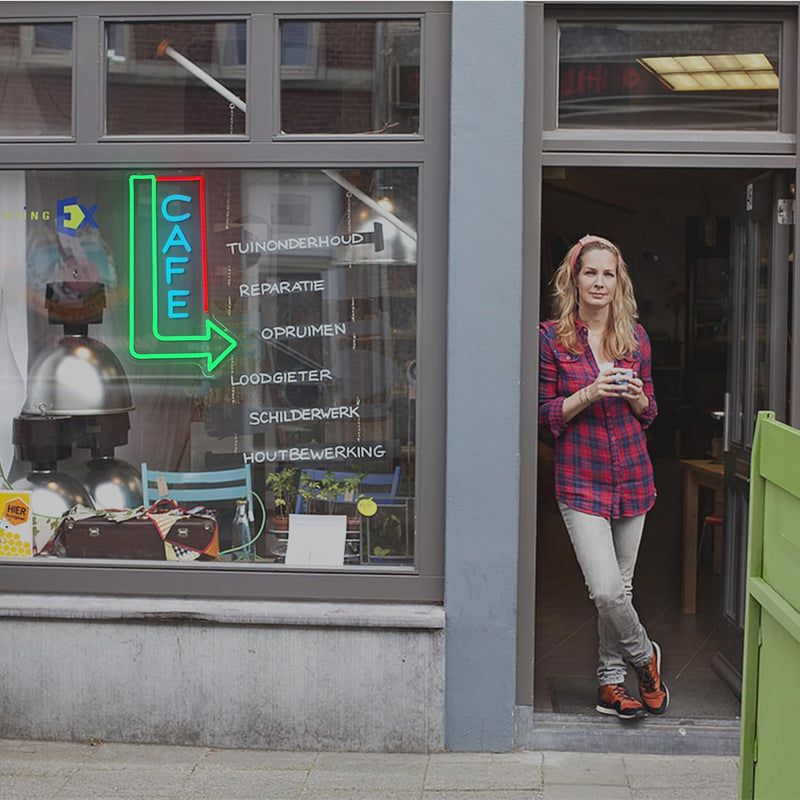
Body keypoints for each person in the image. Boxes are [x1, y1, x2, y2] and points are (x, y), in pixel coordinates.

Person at [538, 234, 669, 721]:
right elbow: (543, 413)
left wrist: (635, 395)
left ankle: (612, 684)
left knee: (623, 589)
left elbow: (650, 410)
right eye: (590, 272)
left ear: (619, 281)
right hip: (581, 479)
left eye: (608, 273)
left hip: (633, 474)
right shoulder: (551, 338)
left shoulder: (634, 336)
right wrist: (590, 391)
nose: (599, 281)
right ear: (574, 278)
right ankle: (645, 659)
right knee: (606, 591)